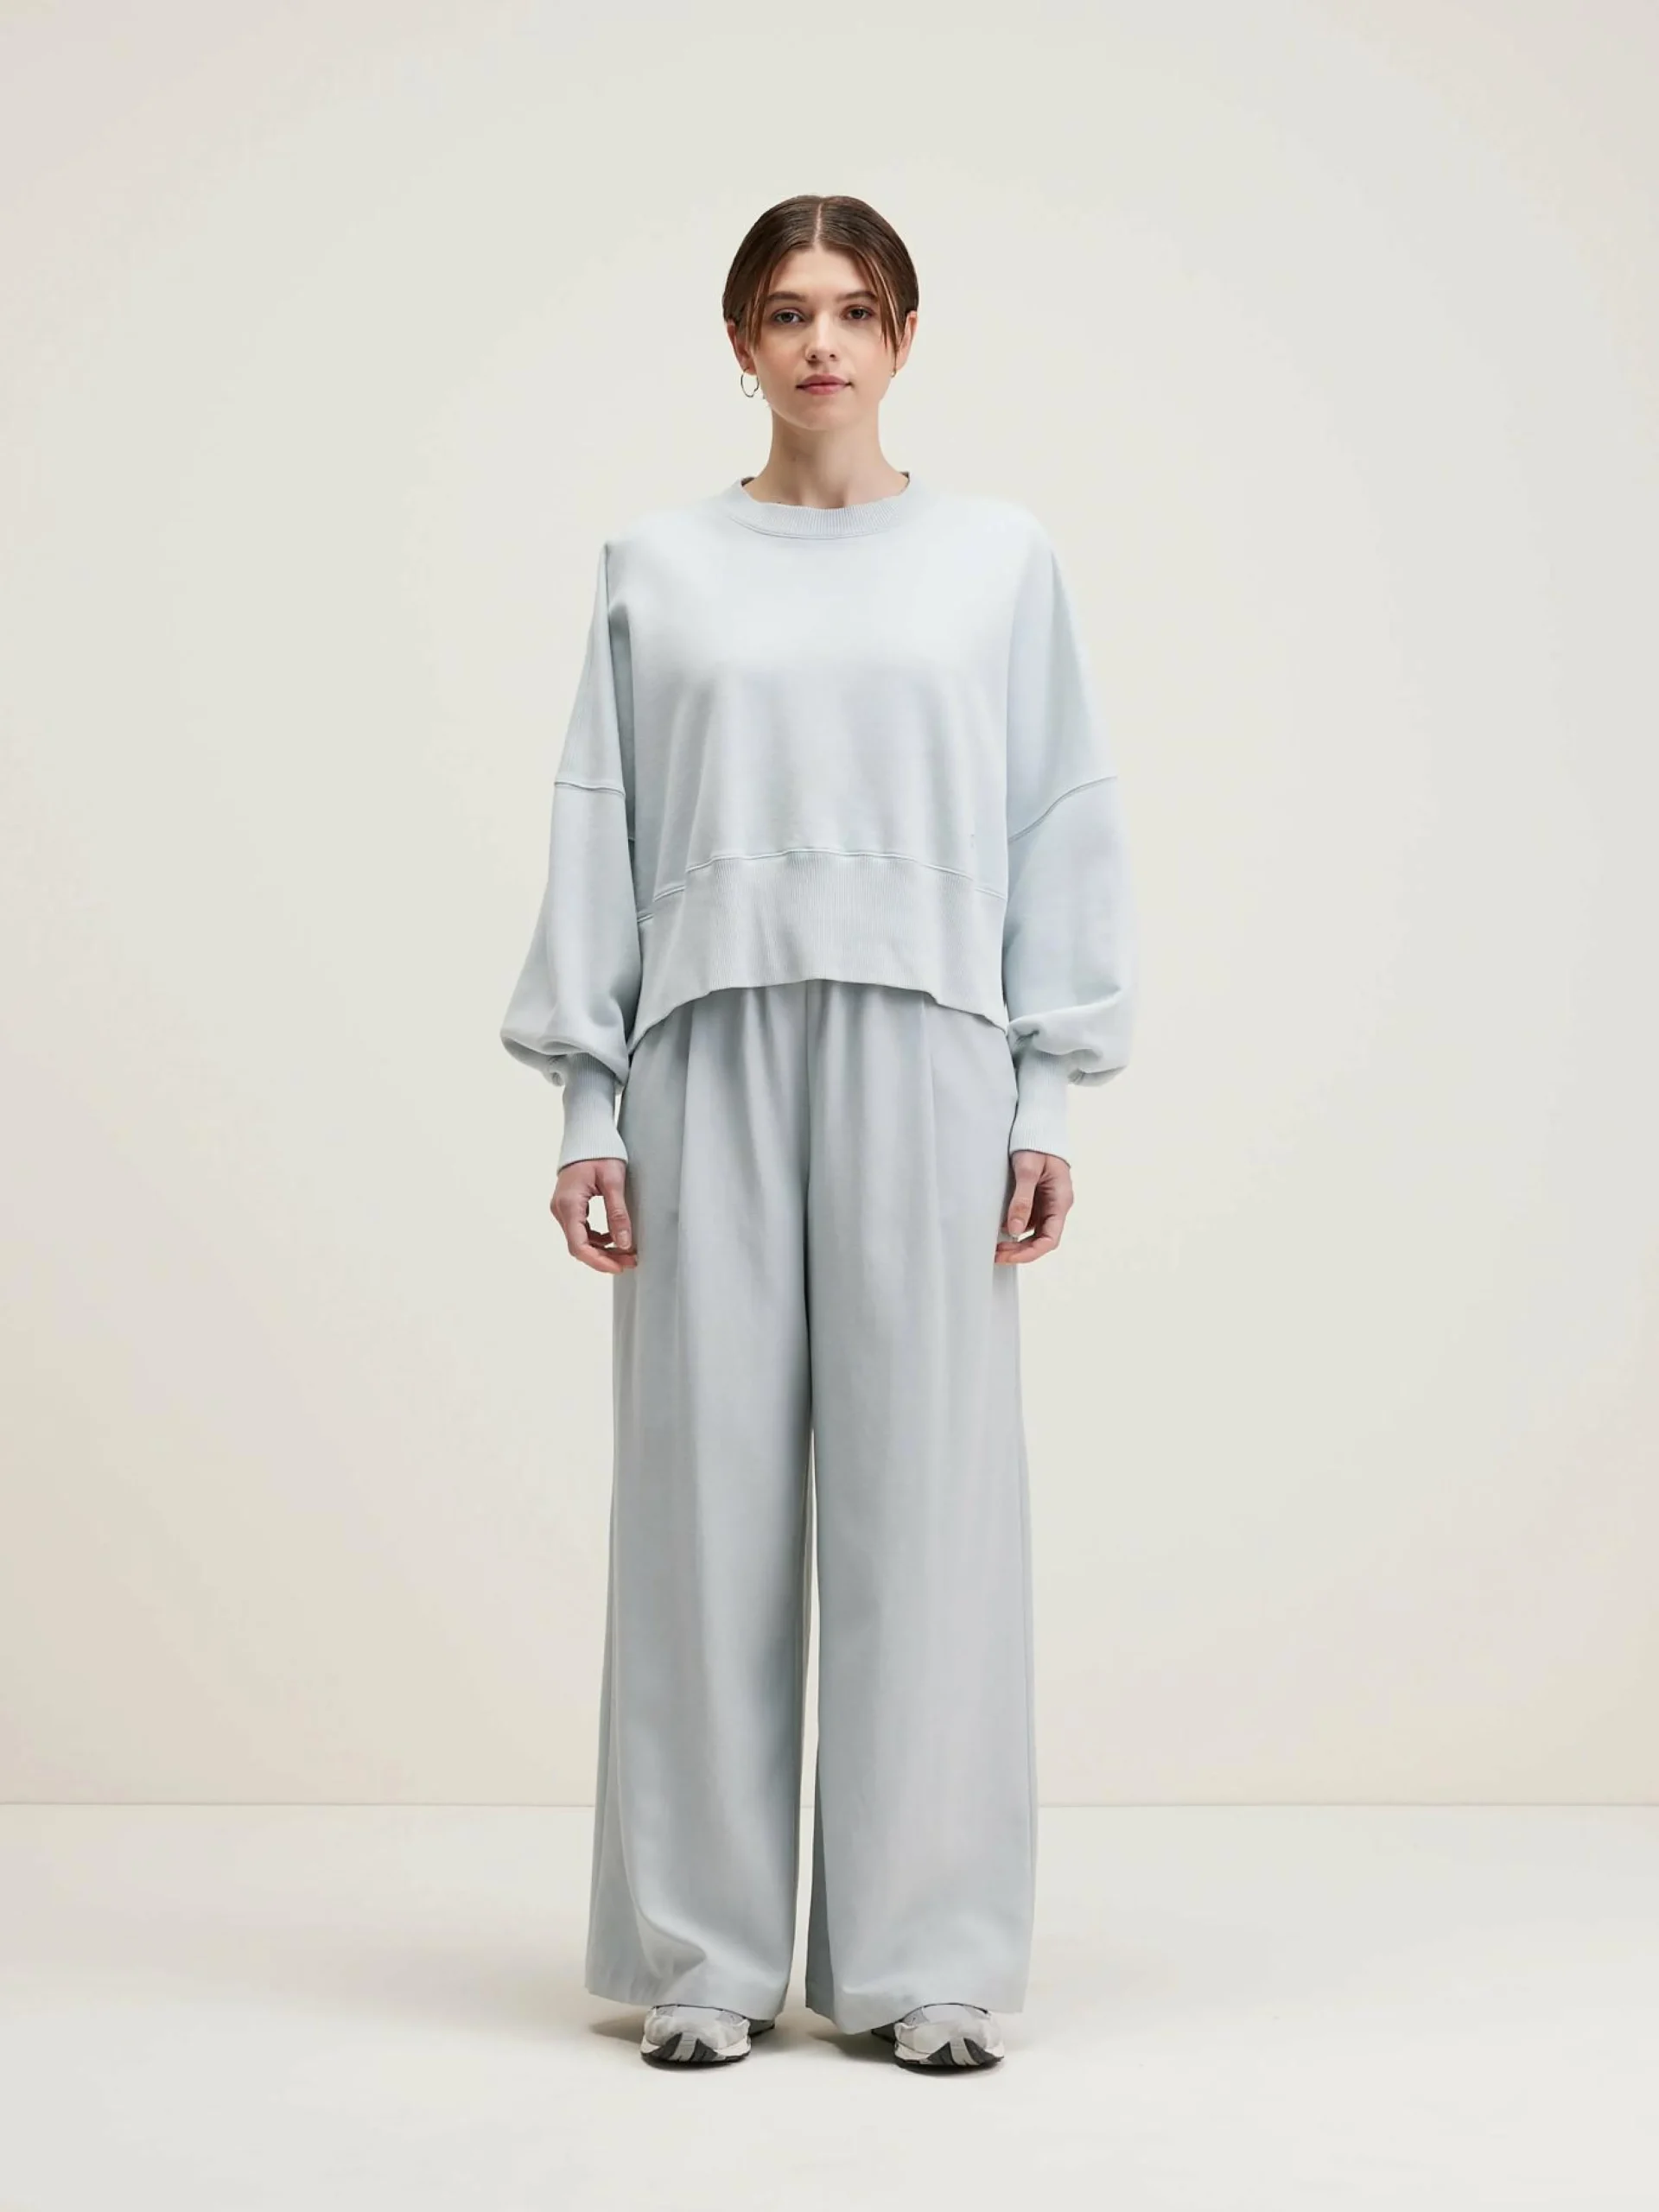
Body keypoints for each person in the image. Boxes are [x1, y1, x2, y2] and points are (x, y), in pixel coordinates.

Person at [500, 194, 1136, 2073]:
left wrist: (1045, 1086)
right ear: (742, 343)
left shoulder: (999, 561)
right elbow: (599, 823)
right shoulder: (658, 566)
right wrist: (589, 1102)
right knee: (700, 1509)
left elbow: (1059, 818)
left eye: (856, 310)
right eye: (787, 312)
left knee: (926, 1507)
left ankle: (921, 1954)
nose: (822, 343)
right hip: (704, 1048)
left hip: (929, 1049)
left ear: (905, 335)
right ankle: (701, 1954)